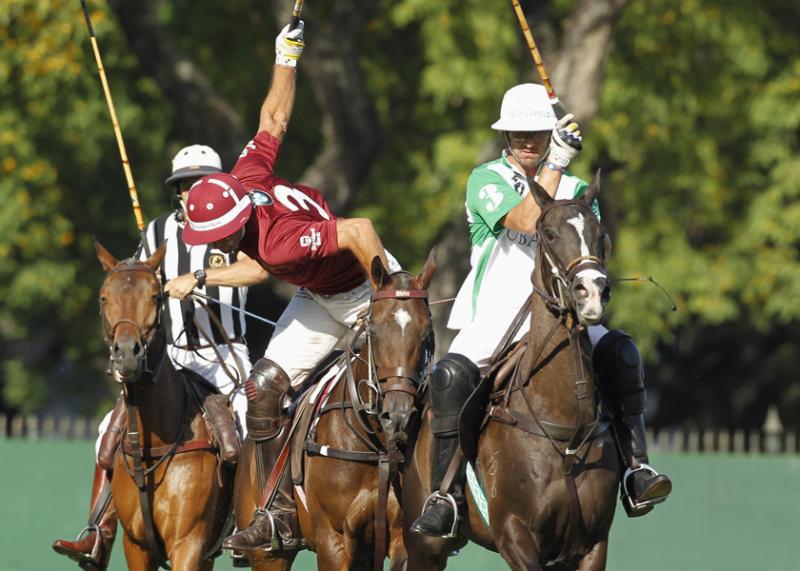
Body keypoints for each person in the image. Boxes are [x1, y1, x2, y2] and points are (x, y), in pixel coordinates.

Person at [165, 21, 400, 552]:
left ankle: (436, 493)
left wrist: (387, 297)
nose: (216, 242)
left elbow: (359, 231)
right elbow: (273, 118)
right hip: (318, 297)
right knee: (262, 388)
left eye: (220, 235)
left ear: (236, 222)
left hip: (368, 286)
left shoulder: (278, 245)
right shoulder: (245, 176)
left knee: (402, 388)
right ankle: (277, 511)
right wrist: (286, 56)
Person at [409, 83, 672, 537]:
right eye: (518, 133)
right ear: (505, 135)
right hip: (497, 312)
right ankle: (444, 496)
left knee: (623, 353)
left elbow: (591, 247)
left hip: (562, 313)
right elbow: (527, 220)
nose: (528, 141)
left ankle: (636, 469)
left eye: (537, 132)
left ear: (550, 132)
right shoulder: (485, 178)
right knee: (449, 377)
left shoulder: (576, 188)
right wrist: (557, 160)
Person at [52, 144, 265, 569]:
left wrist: (198, 278)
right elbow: (133, 283)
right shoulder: (157, 231)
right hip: (173, 356)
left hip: (225, 355)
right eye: (185, 186)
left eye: (200, 183)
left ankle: (253, 524)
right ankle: (98, 533)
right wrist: (143, 273)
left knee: (244, 426)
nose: (191, 193)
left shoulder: (240, 225)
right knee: (108, 432)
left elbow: (257, 270)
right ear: (176, 192)